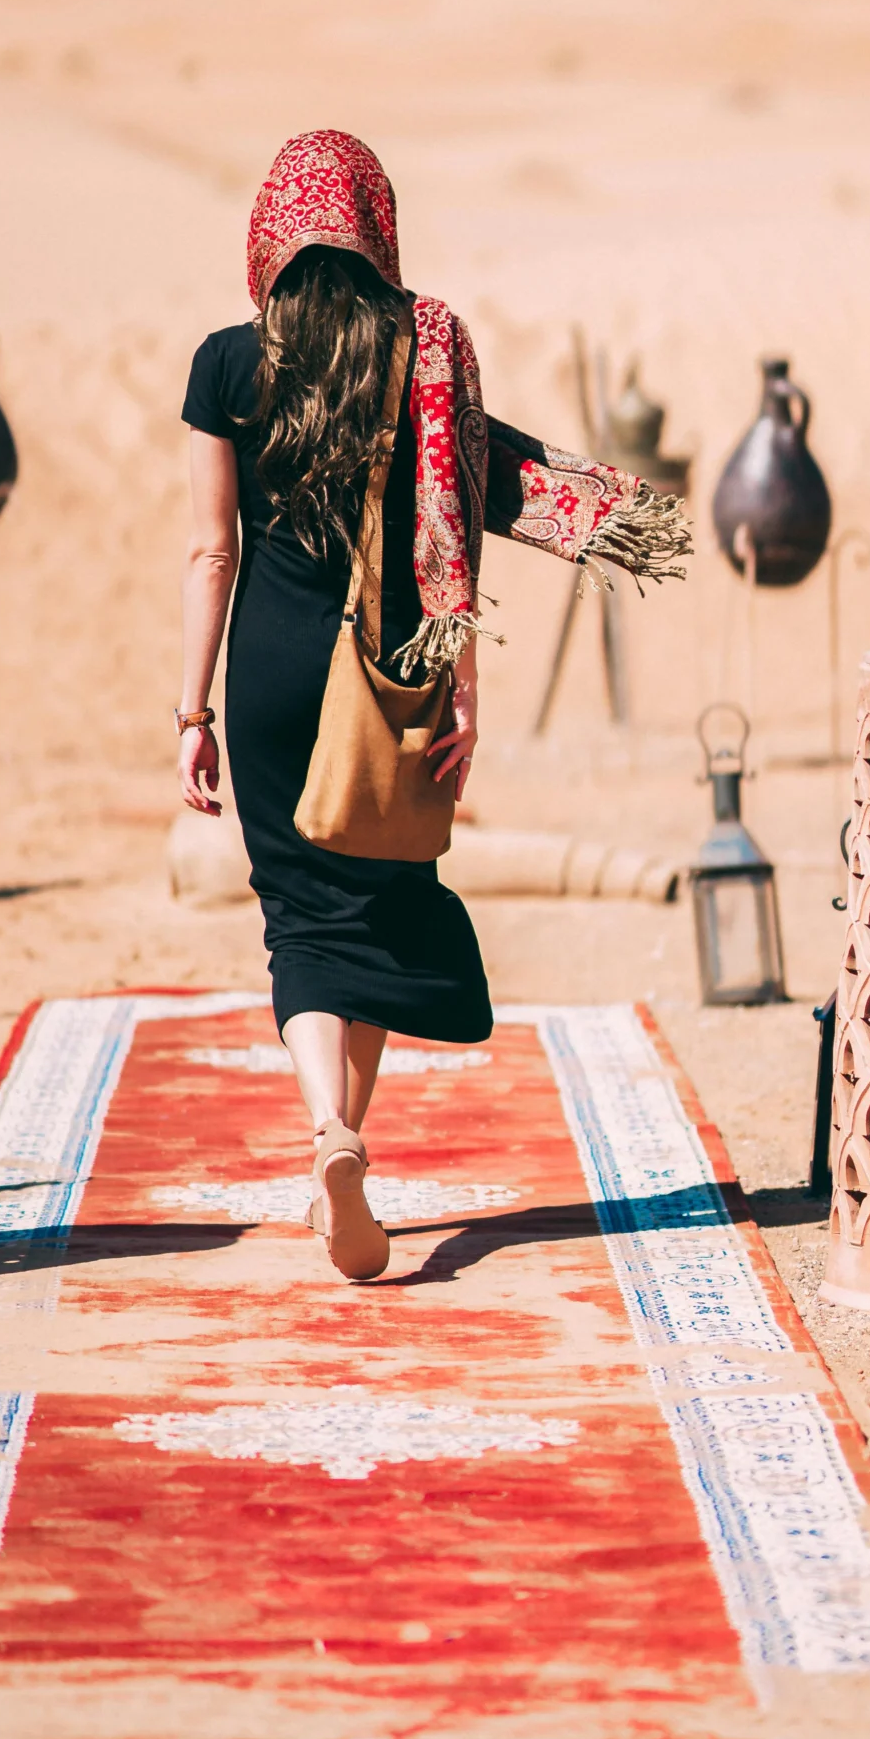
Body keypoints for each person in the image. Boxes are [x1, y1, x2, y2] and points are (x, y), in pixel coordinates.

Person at [178, 130, 688, 1281]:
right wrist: (462, 683)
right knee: (376, 891)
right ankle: (344, 1142)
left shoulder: (221, 363)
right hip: (392, 668)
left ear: (270, 231)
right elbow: (449, 521)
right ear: (374, 223)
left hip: (264, 676)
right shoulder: (428, 344)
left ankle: (329, 1137)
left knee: (298, 918)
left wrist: (190, 712)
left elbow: (210, 552)